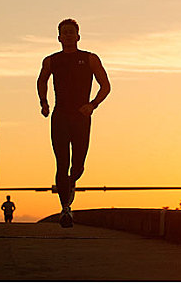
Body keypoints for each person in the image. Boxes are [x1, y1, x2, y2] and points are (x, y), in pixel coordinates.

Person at [37, 18, 111, 228]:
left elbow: (105, 85)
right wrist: (44, 102)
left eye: (72, 32)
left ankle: (70, 185)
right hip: (60, 116)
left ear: (78, 36)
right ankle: (65, 209)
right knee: (61, 162)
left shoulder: (89, 59)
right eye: (64, 32)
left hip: (81, 116)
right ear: (59, 37)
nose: (68, 35)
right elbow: (42, 80)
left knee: (77, 165)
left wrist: (92, 105)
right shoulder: (51, 60)